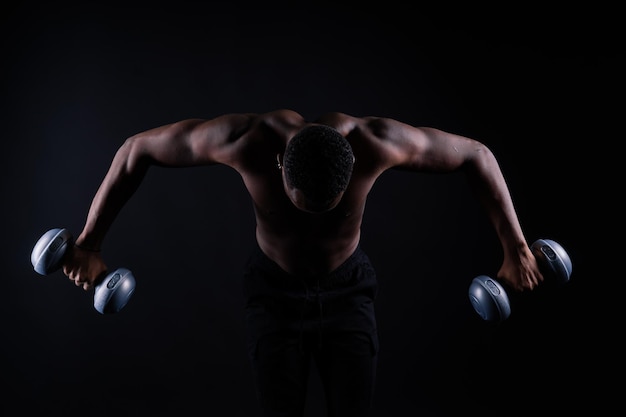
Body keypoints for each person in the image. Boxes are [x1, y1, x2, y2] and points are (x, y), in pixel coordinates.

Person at [62, 109, 544, 417]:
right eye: (298, 204)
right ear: (278, 167)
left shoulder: (376, 142)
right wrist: (89, 241)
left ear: (353, 168)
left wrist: (516, 247)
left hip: (349, 291)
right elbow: (136, 150)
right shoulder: (245, 141)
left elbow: (476, 155)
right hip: (273, 294)